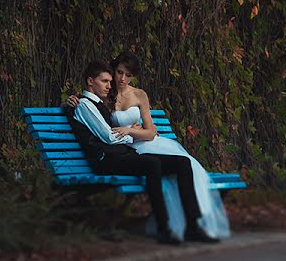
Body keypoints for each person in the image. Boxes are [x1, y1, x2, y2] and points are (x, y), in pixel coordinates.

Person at [67, 56, 229, 244]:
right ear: (91, 81)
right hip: (110, 156)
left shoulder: (102, 100)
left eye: (112, 80)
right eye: (108, 79)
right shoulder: (86, 104)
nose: (113, 83)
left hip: (125, 152)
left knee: (183, 163)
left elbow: (125, 131)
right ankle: (164, 228)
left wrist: (133, 132)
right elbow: (108, 136)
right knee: (152, 163)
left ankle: (192, 226)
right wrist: (132, 133)